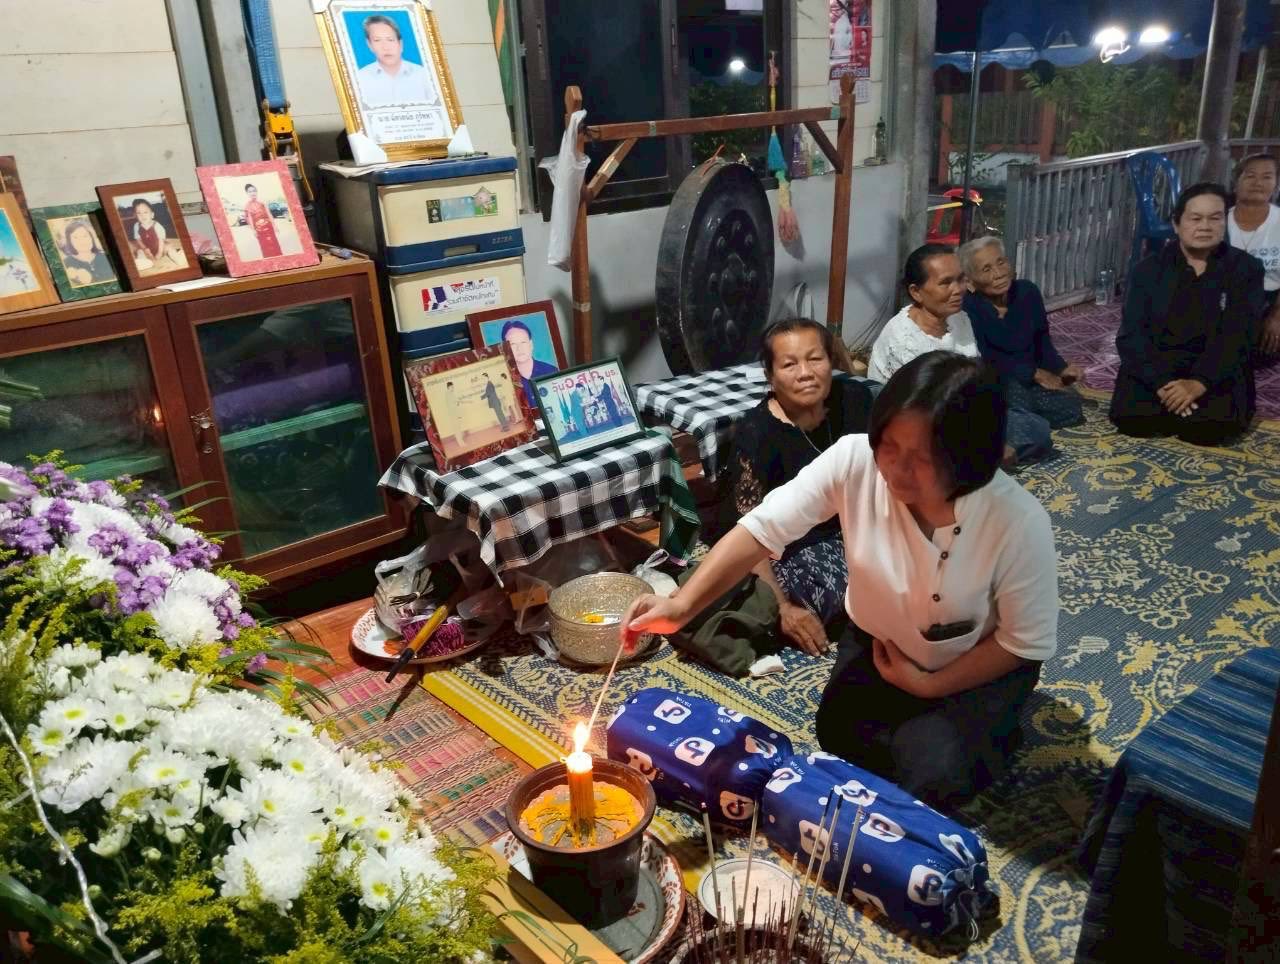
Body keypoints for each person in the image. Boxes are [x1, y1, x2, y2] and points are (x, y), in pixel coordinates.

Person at [623, 352, 1057, 806]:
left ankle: (993, 732)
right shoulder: (855, 459)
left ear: (969, 459)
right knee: (838, 735)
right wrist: (681, 605)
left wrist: (929, 685)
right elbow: (760, 528)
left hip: (973, 664)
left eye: (922, 458)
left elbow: (1022, 643)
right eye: (888, 444)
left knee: (930, 776)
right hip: (879, 642)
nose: (895, 468)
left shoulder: (1017, 520)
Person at [731, 318, 874, 656]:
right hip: (797, 544)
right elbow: (750, 529)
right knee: (838, 593)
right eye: (789, 364)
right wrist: (781, 606)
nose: (806, 373)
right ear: (770, 376)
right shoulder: (757, 433)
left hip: (861, 522)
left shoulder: (855, 399)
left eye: (815, 359)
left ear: (831, 362)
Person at [868, 243, 1053, 465]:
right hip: (919, 426)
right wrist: (988, 442)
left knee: (1037, 429)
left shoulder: (959, 318)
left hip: (959, 410)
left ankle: (976, 460)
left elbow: (974, 377)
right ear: (916, 292)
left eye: (960, 279)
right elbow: (922, 414)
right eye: (946, 283)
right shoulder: (905, 339)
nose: (958, 290)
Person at [1111, 182, 1265, 444]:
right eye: (1195, 218)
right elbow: (1132, 335)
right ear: (1176, 224)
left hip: (1214, 367)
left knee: (1207, 430)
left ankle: (1192, 406)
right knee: (1134, 421)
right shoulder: (1147, 270)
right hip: (1160, 368)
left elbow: (1240, 335)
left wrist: (1199, 383)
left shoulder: (1245, 268)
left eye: (1214, 218)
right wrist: (1162, 384)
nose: (1205, 226)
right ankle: (1173, 403)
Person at [959, 236, 1085, 429]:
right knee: (1017, 404)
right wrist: (1035, 373)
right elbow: (985, 357)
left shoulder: (1027, 292)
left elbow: (1042, 342)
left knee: (1071, 406)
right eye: (986, 269)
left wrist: (1061, 368)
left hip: (1030, 377)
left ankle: (1021, 420)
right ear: (970, 282)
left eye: (1001, 262)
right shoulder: (967, 308)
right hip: (996, 378)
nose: (999, 274)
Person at [1228, 153, 1280, 361]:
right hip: (1226, 300)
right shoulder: (1217, 221)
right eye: (1250, 176)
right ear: (1236, 183)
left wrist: (1276, 317)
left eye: (1267, 177)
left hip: (1271, 301)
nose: (1258, 183)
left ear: (1276, 185)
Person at [355, 14, 439, 107]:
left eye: (390, 40)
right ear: (369, 45)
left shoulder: (424, 75)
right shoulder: (360, 79)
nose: (385, 47)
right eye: (377, 40)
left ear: (400, 43)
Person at [502, 320, 557, 402]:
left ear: (531, 344)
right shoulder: (503, 381)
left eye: (523, 342)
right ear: (505, 349)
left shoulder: (552, 371)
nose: (519, 348)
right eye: (512, 344)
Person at [59, 220, 114, 286]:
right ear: (70, 241)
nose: (82, 241)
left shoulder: (107, 257)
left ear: (91, 237)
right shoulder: (65, 264)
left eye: (85, 236)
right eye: (75, 237)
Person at [243, 184, 282, 259]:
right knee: (265, 248)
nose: (252, 193)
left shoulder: (262, 202)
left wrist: (274, 226)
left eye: (254, 191)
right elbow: (250, 219)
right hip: (259, 231)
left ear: (256, 191)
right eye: (250, 192)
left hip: (269, 227)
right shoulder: (247, 206)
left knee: (275, 245)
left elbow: (269, 214)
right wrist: (253, 230)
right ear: (247, 193)